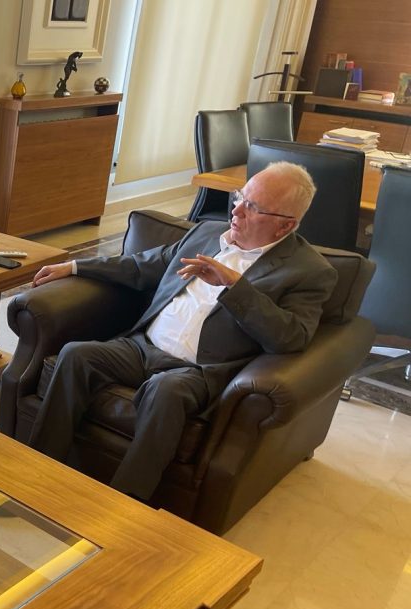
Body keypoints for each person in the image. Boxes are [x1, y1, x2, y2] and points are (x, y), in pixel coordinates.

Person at [28, 161, 337, 500]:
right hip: (141, 347)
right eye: (240, 197)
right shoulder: (206, 232)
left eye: (253, 207)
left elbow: (290, 337)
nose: (236, 210)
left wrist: (235, 287)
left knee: (166, 391)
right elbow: (142, 264)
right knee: (76, 355)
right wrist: (74, 266)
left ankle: (122, 505)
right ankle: (35, 474)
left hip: (198, 370)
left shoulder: (309, 271)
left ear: (285, 226)